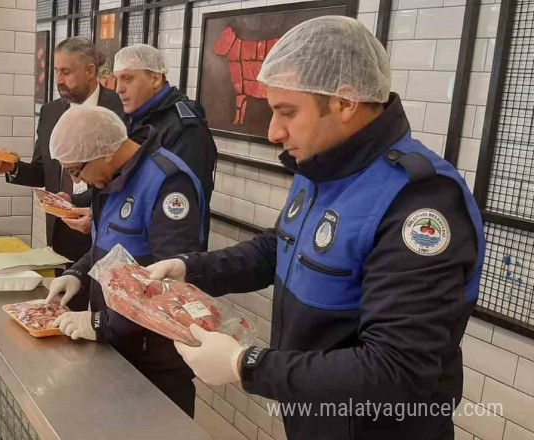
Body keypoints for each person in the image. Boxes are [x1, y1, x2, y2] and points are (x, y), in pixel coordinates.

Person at [146, 16, 485, 439]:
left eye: (287, 112)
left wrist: (246, 365)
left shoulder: (420, 201)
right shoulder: (323, 165)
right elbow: (278, 248)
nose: (273, 132)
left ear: (345, 103)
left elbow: (397, 370)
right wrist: (189, 269)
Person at [44, 105, 210, 418]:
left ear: (104, 151)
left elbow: (169, 286)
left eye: (77, 171)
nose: (78, 182)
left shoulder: (168, 184)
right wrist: (78, 273)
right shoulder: (107, 180)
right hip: (116, 345)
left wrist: (101, 324)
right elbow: (107, 246)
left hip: (155, 361)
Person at [0, 37, 124, 298]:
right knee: (66, 308)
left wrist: (95, 209)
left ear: (90, 71)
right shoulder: (50, 112)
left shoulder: (121, 110)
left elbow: (128, 173)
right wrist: (11, 168)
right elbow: (41, 171)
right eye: (56, 71)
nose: (58, 79)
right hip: (62, 230)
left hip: (106, 227)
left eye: (66, 72)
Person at [113, 44, 217, 210]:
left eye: (127, 78)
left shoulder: (186, 128)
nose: (118, 89)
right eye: (116, 79)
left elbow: (180, 202)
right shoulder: (129, 118)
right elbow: (117, 178)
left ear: (155, 79)